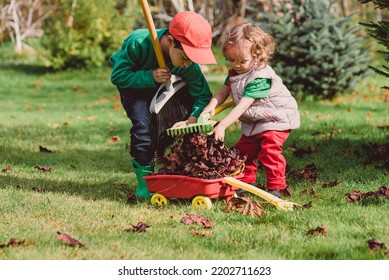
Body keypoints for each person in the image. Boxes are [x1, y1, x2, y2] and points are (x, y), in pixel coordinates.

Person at [110, 11, 216, 199]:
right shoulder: (139, 43)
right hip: (134, 84)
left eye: (192, 59)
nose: (187, 64)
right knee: (143, 128)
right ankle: (145, 183)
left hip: (165, 87)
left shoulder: (187, 63)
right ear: (170, 41)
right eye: (185, 58)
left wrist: (192, 119)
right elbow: (118, 76)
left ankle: (178, 172)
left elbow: (203, 95)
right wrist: (149, 76)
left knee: (166, 128)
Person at [201, 23, 300, 197]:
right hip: (256, 120)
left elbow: (243, 105)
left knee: (269, 150)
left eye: (242, 61)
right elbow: (224, 90)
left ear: (258, 55)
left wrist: (223, 124)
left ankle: (276, 186)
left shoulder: (260, 77)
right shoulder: (235, 72)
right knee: (243, 152)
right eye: (231, 60)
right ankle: (245, 183)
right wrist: (211, 106)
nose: (236, 65)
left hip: (275, 118)